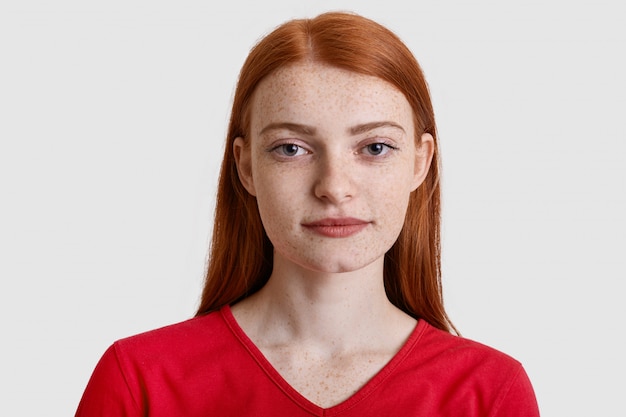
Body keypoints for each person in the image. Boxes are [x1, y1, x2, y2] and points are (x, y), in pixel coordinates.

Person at [75, 11, 540, 416]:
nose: (334, 187)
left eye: (375, 147)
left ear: (420, 162)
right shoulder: (138, 381)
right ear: (245, 167)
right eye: (291, 148)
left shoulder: (490, 393)